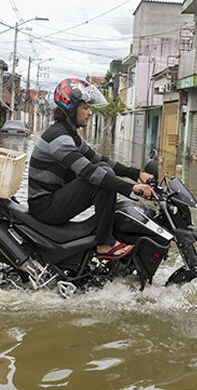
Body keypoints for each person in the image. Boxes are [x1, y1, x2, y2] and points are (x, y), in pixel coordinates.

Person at [29, 78, 155, 259]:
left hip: (54, 199)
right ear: (71, 109)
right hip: (45, 208)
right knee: (101, 177)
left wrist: (136, 174)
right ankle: (104, 243)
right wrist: (131, 188)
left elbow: (97, 159)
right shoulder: (59, 138)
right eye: (85, 108)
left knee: (103, 167)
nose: (90, 112)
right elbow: (88, 172)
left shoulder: (70, 134)